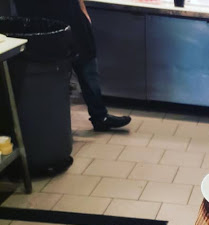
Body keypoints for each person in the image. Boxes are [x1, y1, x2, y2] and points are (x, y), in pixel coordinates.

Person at [14, 0, 131, 131]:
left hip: (70, 16)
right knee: (52, 74)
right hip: (42, 24)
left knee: (87, 63)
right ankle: (53, 124)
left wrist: (82, 9)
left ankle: (99, 116)